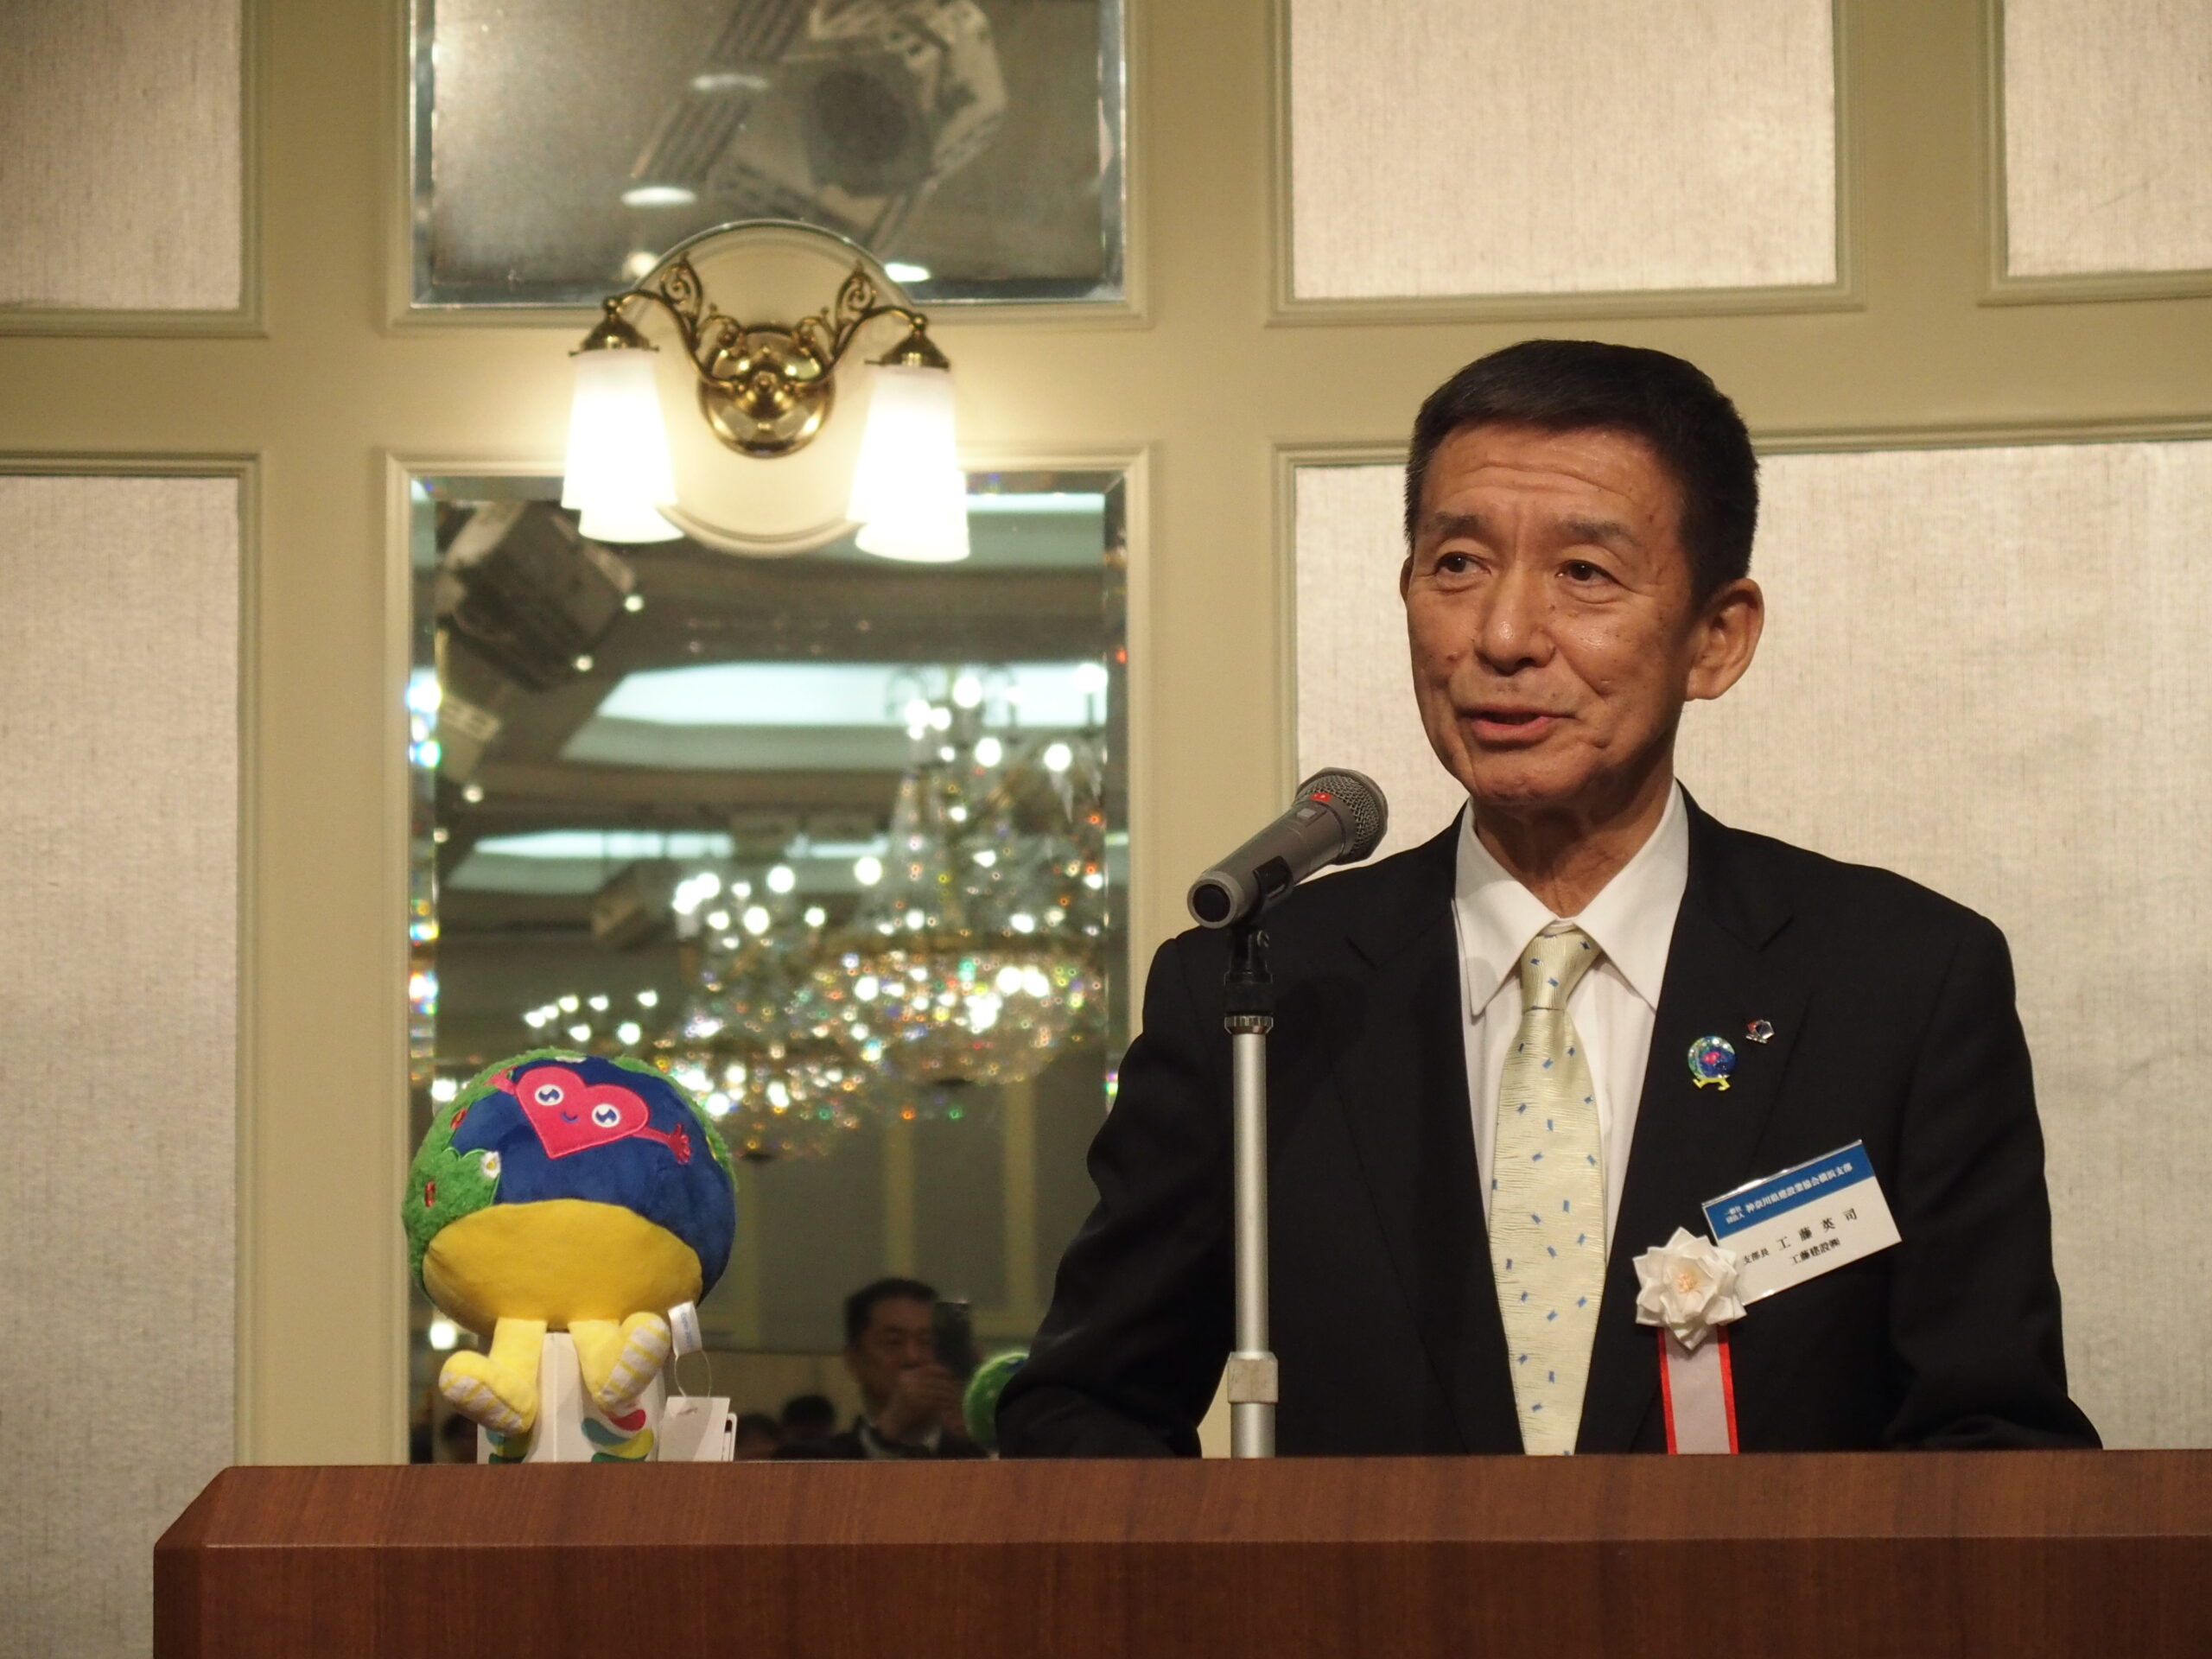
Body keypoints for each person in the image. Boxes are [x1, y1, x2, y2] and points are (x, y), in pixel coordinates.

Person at [1000, 340, 2099, 1458]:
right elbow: (1084, 1411)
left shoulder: (1900, 984)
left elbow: (1995, 1438)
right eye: (1458, 564)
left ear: (1716, 639)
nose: (1504, 637)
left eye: (1583, 573)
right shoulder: (1258, 996)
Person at [776, 1277, 985, 1460]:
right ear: (853, 1361)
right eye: (894, 1342)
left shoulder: (976, 1451)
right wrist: (887, 1435)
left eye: (926, 1341)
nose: (912, 1357)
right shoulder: (808, 1459)